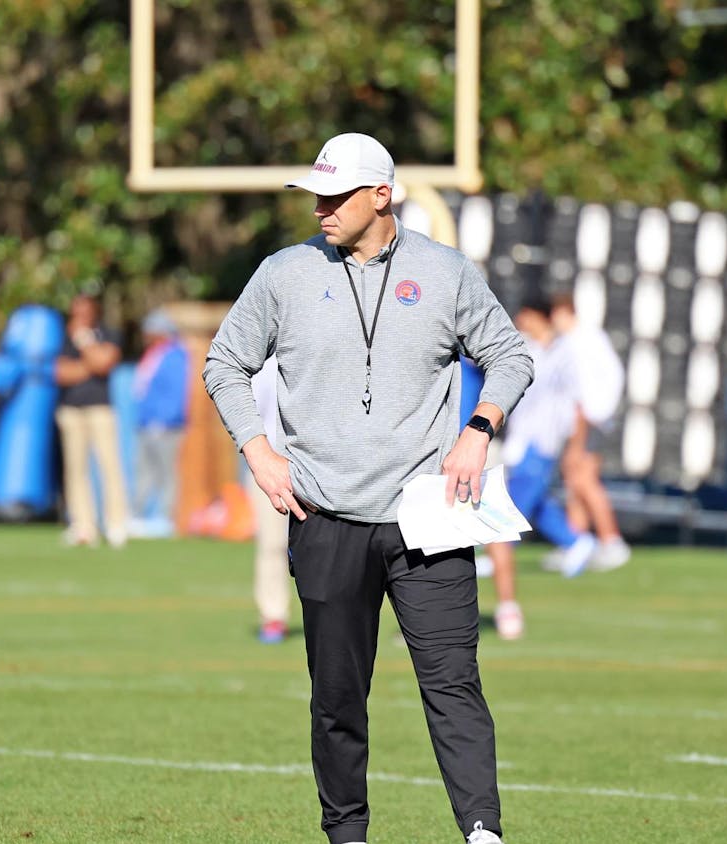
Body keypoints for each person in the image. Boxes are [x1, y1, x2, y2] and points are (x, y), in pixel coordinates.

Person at [203, 133, 533, 844]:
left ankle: (483, 833)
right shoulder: (283, 274)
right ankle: (346, 835)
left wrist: (479, 427)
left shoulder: (445, 273)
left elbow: (509, 355)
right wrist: (257, 452)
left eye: (335, 194)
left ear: (382, 195)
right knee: (338, 700)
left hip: (427, 519)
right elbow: (224, 363)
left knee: (454, 686)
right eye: (315, 193)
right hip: (325, 517)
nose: (320, 207)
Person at [483, 299, 598, 641]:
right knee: (536, 500)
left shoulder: (565, 354)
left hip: (545, 439)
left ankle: (501, 556)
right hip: (522, 438)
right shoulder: (528, 348)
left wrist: (576, 444)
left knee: (514, 505)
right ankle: (576, 542)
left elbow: (577, 404)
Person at [549, 293, 631, 571]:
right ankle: (576, 543)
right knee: (575, 483)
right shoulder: (582, 339)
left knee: (584, 481)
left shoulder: (580, 342)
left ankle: (611, 541)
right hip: (590, 418)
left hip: (588, 419)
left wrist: (581, 431)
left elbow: (582, 394)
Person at [54, 293, 128, 548]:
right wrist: (91, 364)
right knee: (76, 469)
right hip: (71, 410)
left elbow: (105, 362)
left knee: (109, 466)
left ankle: (116, 523)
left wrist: (86, 344)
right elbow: (60, 373)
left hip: (100, 409)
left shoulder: (108, 333)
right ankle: (83, 525)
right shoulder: (62, 337)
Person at [129, 309, 188, 537]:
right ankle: (138, 516)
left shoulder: (174, 355)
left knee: (166, 474)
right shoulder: (154, 354)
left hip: (165, 427)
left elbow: (175, 393)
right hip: (147, 425)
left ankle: (166, 518)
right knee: (143, 472)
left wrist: (162, 421)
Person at [249, 355, 291, 644]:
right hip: (270, 464)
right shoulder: (261, 363)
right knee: (272, 544)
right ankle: (273, 615)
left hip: (320, 464)